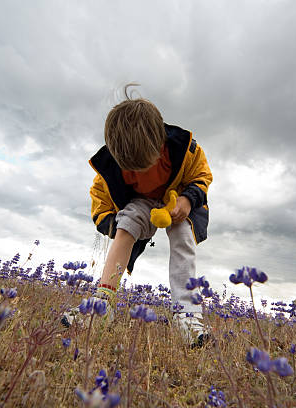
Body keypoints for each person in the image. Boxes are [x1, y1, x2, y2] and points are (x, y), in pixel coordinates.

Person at [62, 84, 213, 348]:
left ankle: (188, 315)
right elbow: (100, 203)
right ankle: (102, 304)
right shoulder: (111, 165)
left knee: (182, 234)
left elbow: (201, 176)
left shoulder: (185, 148)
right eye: (130, 169)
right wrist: (114, 225)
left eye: (145, 165)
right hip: (139, 203)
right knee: (128, 220)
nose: (138, 174)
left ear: (160, 143)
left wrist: (188, 201)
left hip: (179, 197)